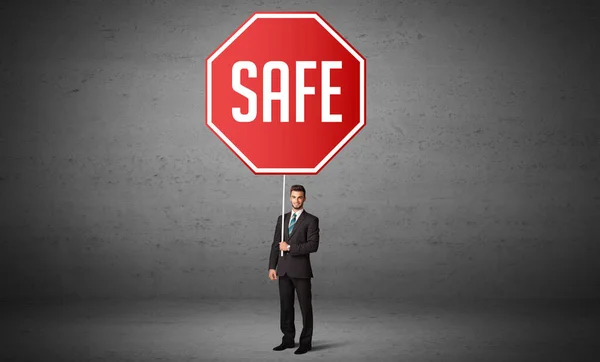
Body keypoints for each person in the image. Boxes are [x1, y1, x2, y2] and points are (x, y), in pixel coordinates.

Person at [268, 184, 320, 355]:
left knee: (305, 308)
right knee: (285, 307)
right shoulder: (281, 219)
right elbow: (276, 244)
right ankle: (288, 339)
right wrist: (271, 266)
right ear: (289, 198)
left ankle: (306, 342)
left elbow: (313, 246)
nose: (296, 200)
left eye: (299, 197)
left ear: (304, 198)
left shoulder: (311, 220)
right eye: (293, 197)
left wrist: (289, 247)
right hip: (283, 270)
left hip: (301, 271)